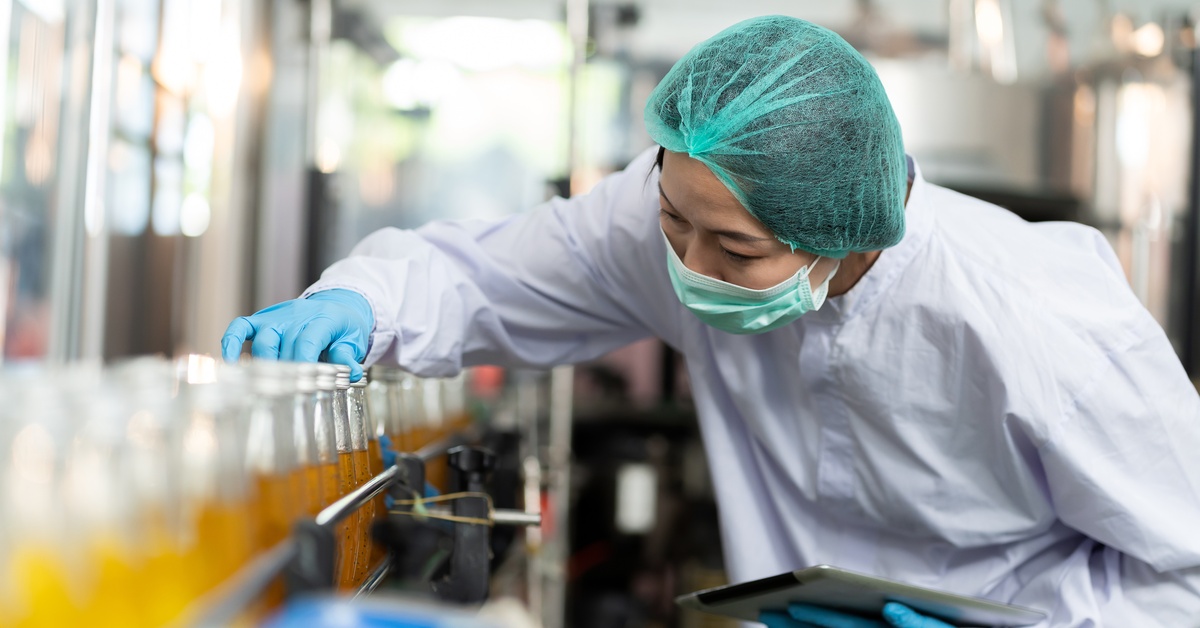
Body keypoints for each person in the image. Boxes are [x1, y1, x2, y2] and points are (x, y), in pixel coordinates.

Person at [222, 15, 1200, 627]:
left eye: (735, 252)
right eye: (670, 219)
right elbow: (484, 276)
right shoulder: (680, 217)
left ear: (845, 234)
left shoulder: (1037, 322)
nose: (689, 269)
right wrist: (357, 303)